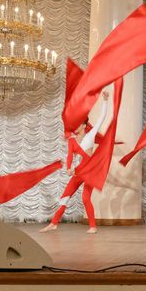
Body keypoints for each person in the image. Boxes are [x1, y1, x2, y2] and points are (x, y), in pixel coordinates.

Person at [40, 90, 109, 234]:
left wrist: (105, 100)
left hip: (89, 173)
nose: (75, 126)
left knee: (85, 199)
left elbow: (102, 118)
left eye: (78, 124)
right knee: (64, 197)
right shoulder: (72, 140)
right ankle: (53, 224)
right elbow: (70, 156)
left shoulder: (90, 135)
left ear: (84, 125)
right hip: (78, 172)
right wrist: (69, 168)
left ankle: (93, 226)